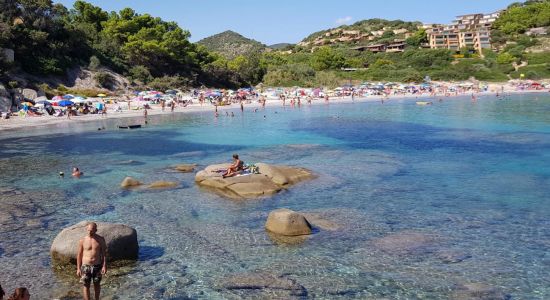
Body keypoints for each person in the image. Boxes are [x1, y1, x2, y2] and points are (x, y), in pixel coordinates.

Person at [77, 222, 107, 300]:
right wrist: (78, 268)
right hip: (85, 266)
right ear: (87, 229)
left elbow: (104, 254)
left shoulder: (100, 240)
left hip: (97, 265)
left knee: (97, 284)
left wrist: (104, 266)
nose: (90, 232)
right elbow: (79, 255)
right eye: (89, 230)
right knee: (86, 285)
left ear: (96, 230)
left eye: (92, 230)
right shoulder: (82, 240)